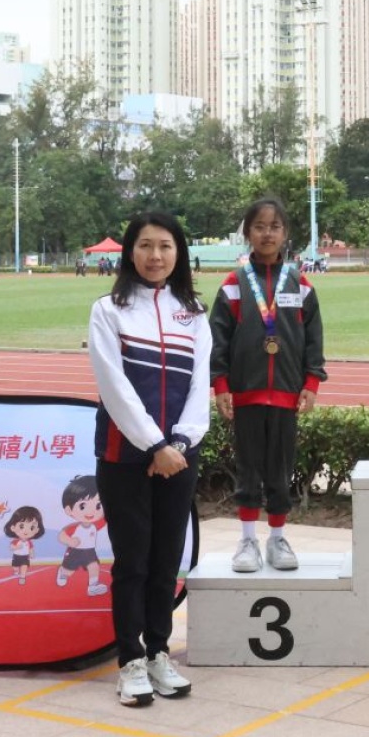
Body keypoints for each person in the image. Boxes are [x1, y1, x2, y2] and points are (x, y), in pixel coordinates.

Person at [88, 210, 210, 707]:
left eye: (165, 246)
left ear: (178, 252)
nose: (155, 256)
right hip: (124, 456)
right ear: (129, 252)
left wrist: (178, 445)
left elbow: (200, 384)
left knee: (165, 561)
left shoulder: (194, 312)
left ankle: (159, 652)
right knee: (133, 562)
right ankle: (131, 661)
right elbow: (113, 386)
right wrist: (154, 445)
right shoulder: (108, 310)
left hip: (180, 457)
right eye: (145, 245)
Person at [210, 197, 325, 574]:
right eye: (259, 226)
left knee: (280, 469)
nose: (267, 233)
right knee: (248, 469)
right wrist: (220, 384)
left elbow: (313, 337)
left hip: (286, 394)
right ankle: (247, 540)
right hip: (246, 393)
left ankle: (277, 538)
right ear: (248, 233)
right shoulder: (234, 284)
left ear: (285, 233)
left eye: (275, 227)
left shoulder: (300, 283)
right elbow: (218, 338)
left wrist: (311, 381)